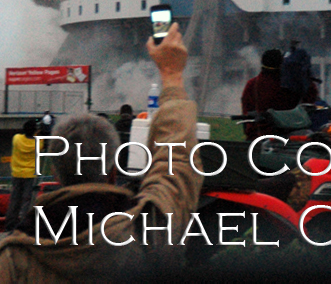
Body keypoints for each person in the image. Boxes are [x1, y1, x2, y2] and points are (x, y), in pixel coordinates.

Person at [0, 24, 202, 277]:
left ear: (55, 170)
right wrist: (171, 76)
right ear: (113, 171)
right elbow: (176, 165)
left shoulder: (13, 259)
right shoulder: (147, 232)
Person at [241, 48, 299, 140]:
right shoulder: (288, 85)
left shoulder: (252, 84)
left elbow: (245, 112)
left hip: (256, 137)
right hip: (284, 138)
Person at [4, 120, 37, 232]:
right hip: (30, 175)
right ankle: (24, 225)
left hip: (16, 173)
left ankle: (10, 224)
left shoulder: (16, 138)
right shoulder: (38, 143)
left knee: (14, 199)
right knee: (26, 201)